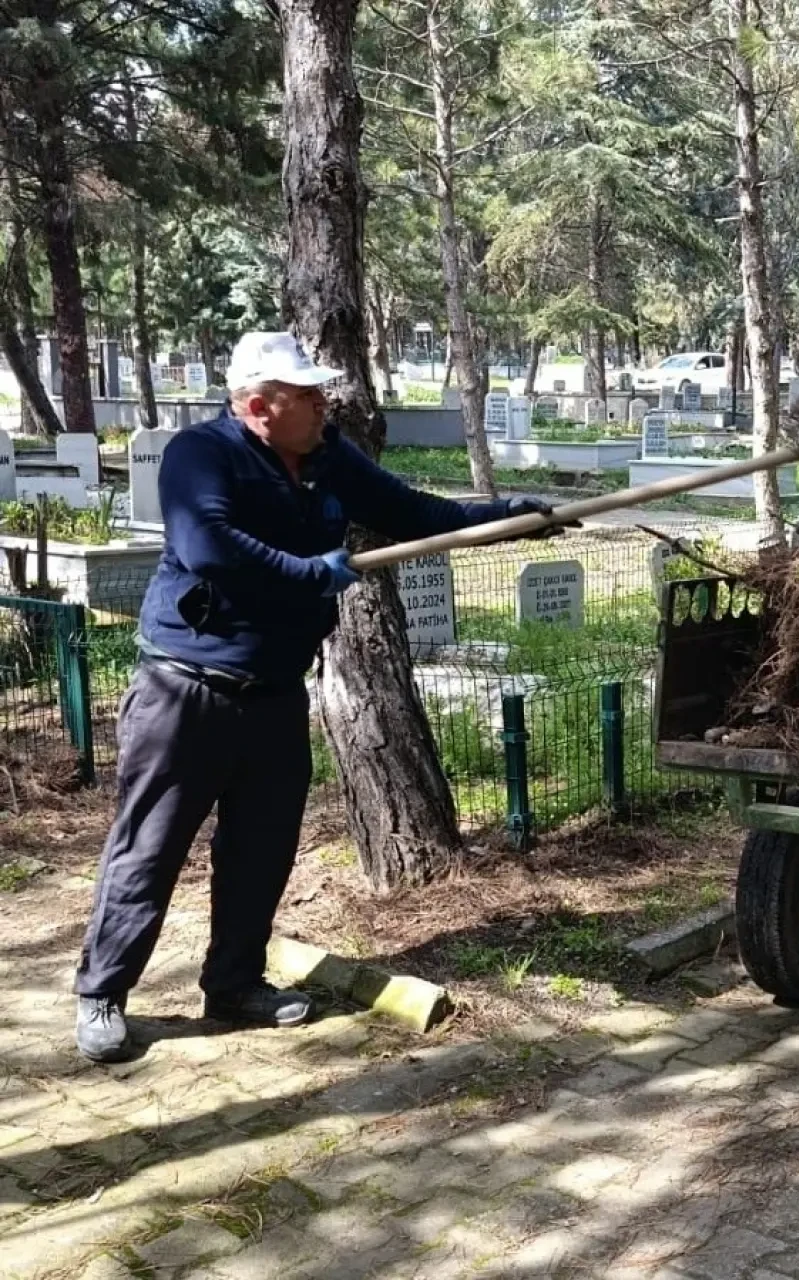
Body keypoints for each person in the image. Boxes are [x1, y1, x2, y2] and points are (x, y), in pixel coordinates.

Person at [74, 332, 563, 1063]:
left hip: (274, 695)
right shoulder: (200, 455)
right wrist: (311, 574)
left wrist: (508, 517)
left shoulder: (328, 455)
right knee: (150, 849)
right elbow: (209, 547)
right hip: (185, 693)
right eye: (306, 395)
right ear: (258, 407)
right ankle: (103, 994)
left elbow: (412, 512)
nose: (322, 405)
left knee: (261, 850)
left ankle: (234, 985)